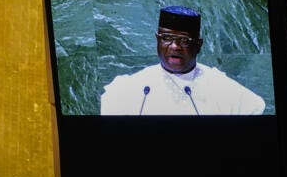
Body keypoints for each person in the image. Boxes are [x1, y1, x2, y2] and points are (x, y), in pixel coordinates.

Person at [100, 6, 265, 115]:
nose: (174, 46)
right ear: (157, 40)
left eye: (184, 41)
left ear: (199, 45)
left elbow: (256, 107)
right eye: (166, 38)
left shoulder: (219, 85)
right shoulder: (132, 88)